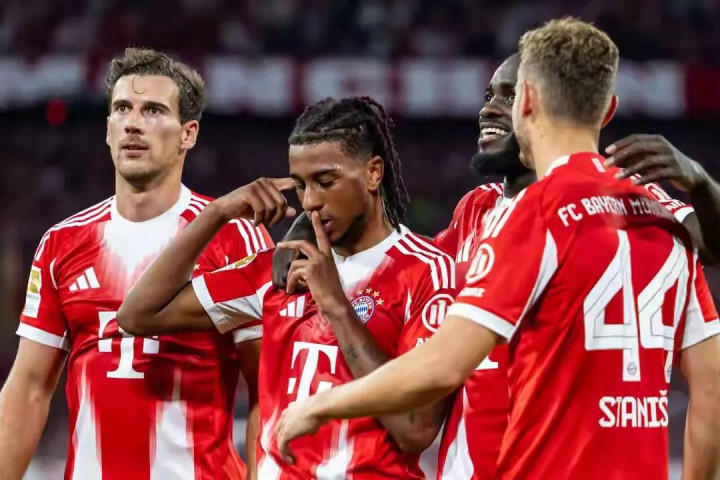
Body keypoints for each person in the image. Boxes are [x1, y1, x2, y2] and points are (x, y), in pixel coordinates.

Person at [274, 18, 720, 480]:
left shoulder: (535, 214)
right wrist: (317, 218)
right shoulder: (657, 216)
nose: (489, 108)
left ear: (528, 100)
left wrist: (322, 405)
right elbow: (711, 388)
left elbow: (444, 364)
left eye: (508, 95)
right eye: (488, 95)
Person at [116, 96, 457, 479]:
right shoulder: (277, 270)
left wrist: (337, 306)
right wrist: (217, 213)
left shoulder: (427, 271)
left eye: (325, 182)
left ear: (373, 172)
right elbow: (138, 314)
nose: (310, 202)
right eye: (300, 186)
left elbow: (416, 428)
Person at [0, 48, 271, 479]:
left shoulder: (235, 239)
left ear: (188, 134)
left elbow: (267, 388)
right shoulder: (61, 243)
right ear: (108, 130)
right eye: (122, 108)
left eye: (153, 111)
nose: (133, 123)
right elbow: (29, 388)